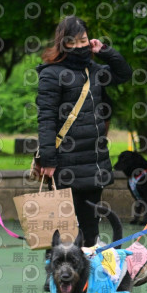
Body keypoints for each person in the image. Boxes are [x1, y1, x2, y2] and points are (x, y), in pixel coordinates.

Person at [36, 16, 132, 247]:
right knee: (62, 233)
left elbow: (124, 74)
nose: (79, 46)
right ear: (62, 42)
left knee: (90, 231)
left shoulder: (94, 70)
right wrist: (47, 160)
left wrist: (105, 51)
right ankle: (58, 271)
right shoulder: (51, 73)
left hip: (93, 161)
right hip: (64, 162)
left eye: (83, 40)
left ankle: (89, 270)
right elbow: (46, 119)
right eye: (73, 42)